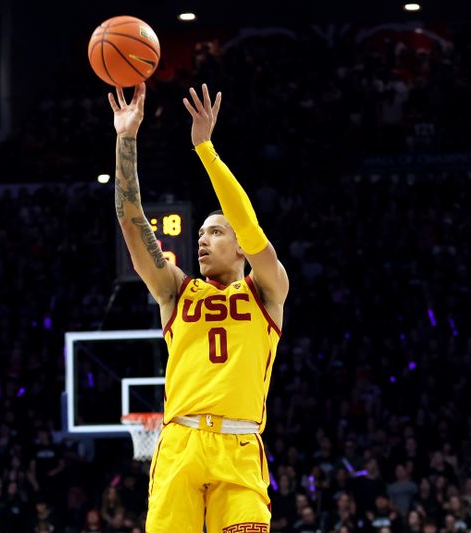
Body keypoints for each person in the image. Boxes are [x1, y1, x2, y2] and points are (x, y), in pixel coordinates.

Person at [108, 82, 289, 531]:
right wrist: (125, 138)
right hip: (180, 444)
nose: (203, 240)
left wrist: (205, 149)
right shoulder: (175, 291)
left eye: (216, 232)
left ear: (241, 248)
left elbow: (247, 222)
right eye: (202, 233)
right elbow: (131, 221)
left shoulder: (267, 290)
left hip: (239, 446)